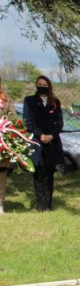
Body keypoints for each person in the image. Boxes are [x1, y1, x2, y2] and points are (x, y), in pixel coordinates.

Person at [23, 76, 64, 212]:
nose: (42, 86)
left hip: (52, 142)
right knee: (39, 174)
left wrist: (51, 135)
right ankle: (40, 203)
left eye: (45, 84)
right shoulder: (29, 101)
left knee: (49, 175)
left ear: (49, 86)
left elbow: (59, 122)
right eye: (39, 84)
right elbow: (29, 121)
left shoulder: (55, 102)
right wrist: (40, 135)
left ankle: (48, 203)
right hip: (37, 141)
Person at [0, 79, 16, 214]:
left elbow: (14, 118)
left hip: (2, 142)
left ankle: (0, 203)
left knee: (1, 174)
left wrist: (6, 124)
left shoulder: (6, 101)